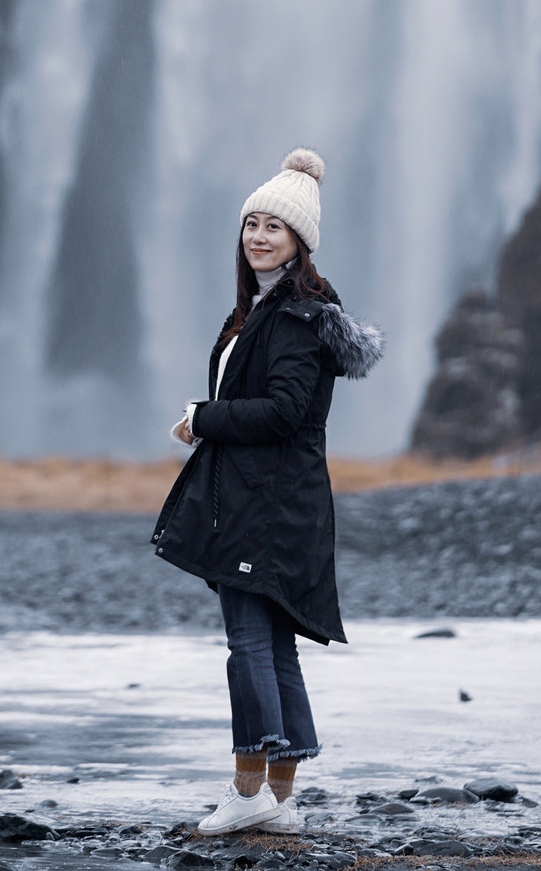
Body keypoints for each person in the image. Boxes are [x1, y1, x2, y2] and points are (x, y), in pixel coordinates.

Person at [152, 148, 383, 836]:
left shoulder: (294, 316)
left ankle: (248, 786)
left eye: (273, 227)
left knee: (249, 643)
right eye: (251, 222)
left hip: (268, 504)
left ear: (299, 242)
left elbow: (284, 411)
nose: (257, 235)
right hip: (269, 498)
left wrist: (203, 418)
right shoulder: (267, 310)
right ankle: (279, 801)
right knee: (271, 645)